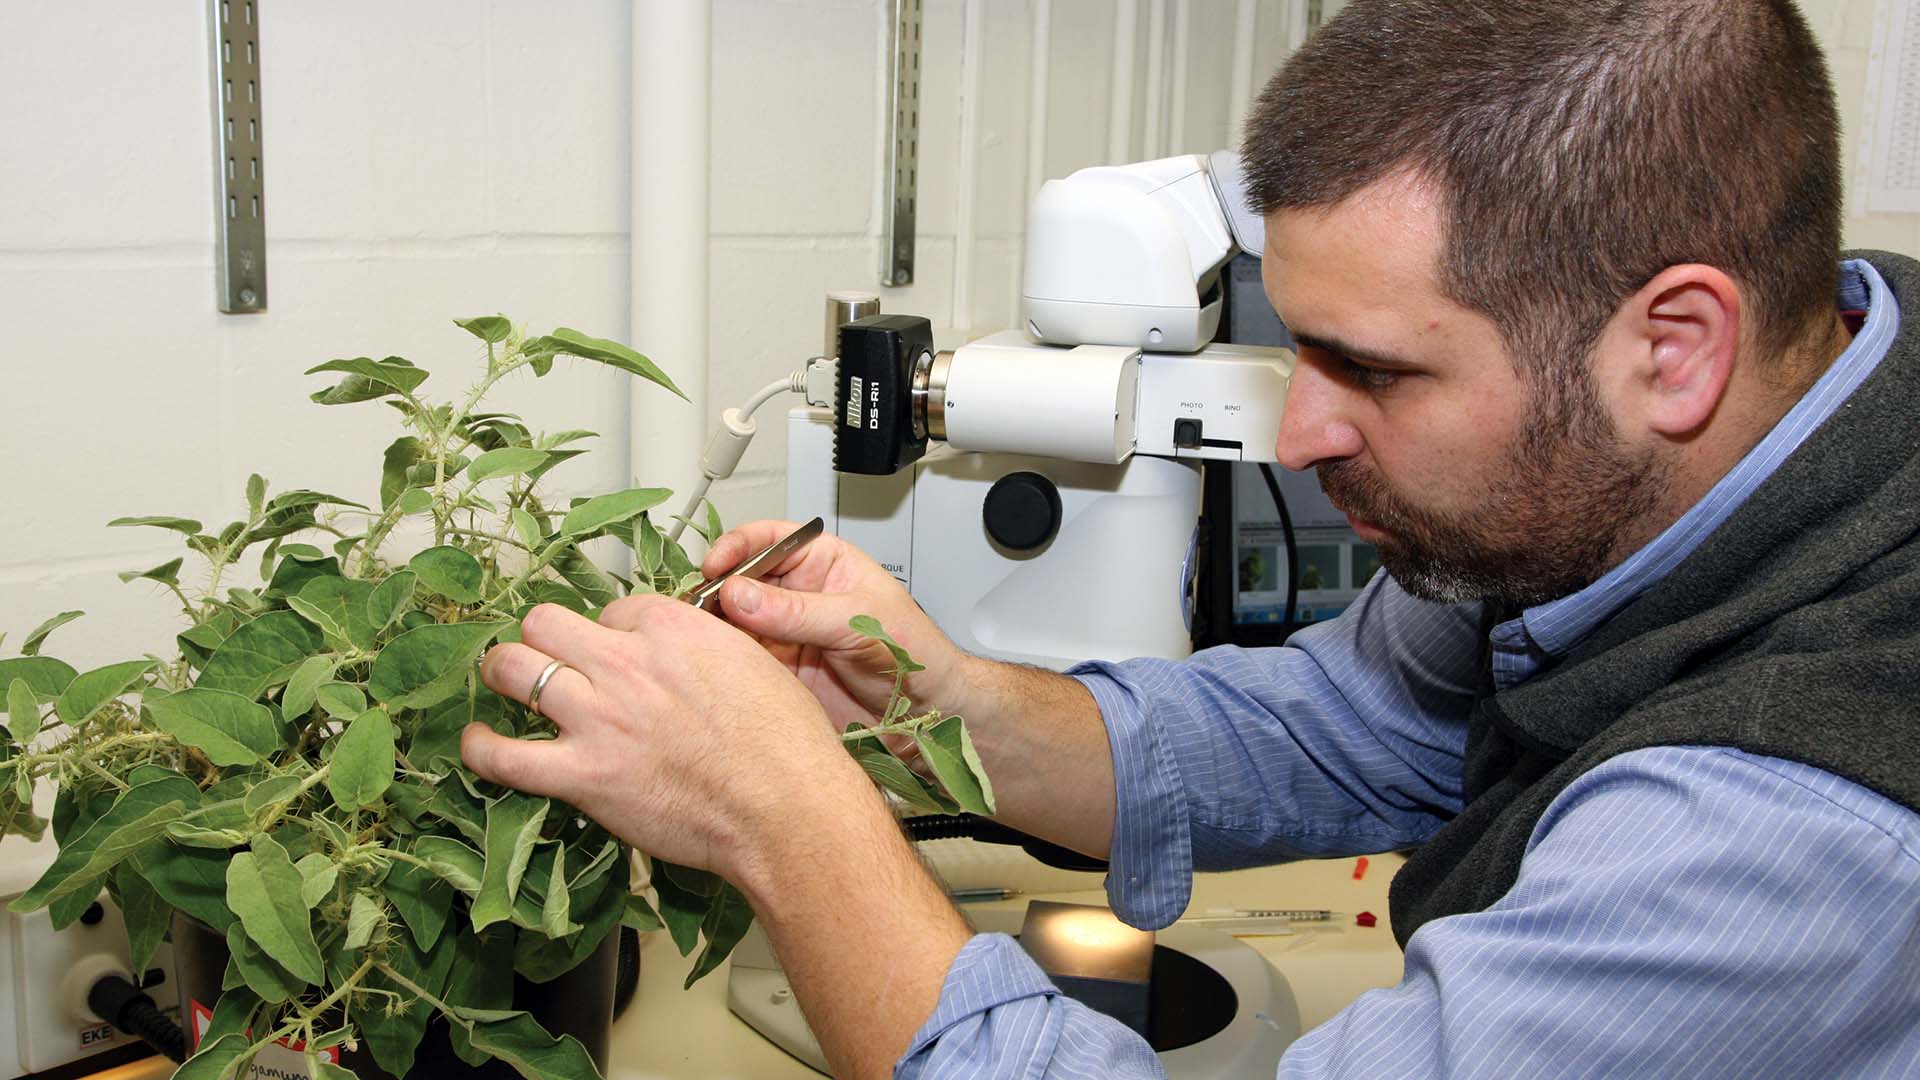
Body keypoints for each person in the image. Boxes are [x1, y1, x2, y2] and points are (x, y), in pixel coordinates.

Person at [461, 1, 1920, 1076]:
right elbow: (1349, 726)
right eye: (1304, 348)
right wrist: (940, 707)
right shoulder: (1773, 399)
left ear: (1676, 347)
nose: (1299, 436)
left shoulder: (1794, 829)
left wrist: (789, 823)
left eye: (1375, 370)